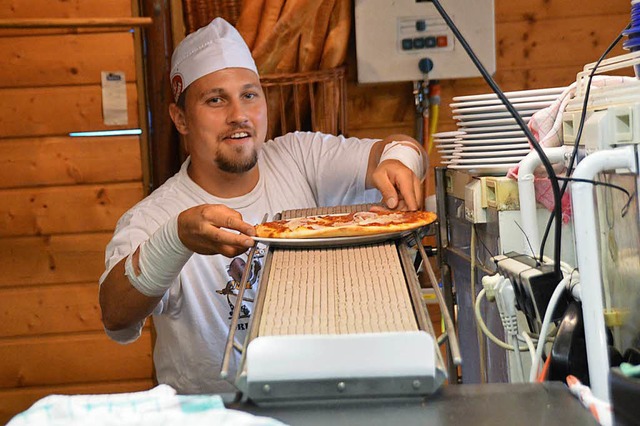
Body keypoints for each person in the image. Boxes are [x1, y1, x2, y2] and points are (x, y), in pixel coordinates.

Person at [99, 17, 428, 394]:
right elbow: (115, 315)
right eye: (216, 99)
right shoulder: (154, 216)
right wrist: (177, 240)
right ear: (181, 119)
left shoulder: (299, 157)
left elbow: (399, 147)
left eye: (250, 95)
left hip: (318, 400)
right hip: (218, 417)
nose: (238, 114)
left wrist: (400, 162)